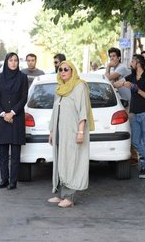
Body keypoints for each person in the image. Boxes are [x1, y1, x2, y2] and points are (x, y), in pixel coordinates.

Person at [48, 61, 95, 208]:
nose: (62, 71)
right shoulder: (59, 89)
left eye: (66, 69)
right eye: (60, 69)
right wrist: (51, 131)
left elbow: (83, 110)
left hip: (73, 132)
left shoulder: (79, 86)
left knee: (72, 162)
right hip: (60, 132)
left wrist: (81, 131)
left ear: (72, 71)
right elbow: (55, 111)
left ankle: (69, 197)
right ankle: (61, 194)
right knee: (61, 161)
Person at [115, 54, 145, 179]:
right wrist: (117, 83)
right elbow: (116, 84)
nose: (130, 64)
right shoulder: (130, 77)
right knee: (135, 141)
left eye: (132, 61)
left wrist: (137, 90)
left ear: (138, 63)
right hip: (134, 114)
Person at [0, 52, 28, 190]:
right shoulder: (0, 77)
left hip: (16, 118)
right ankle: (4, 180)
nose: (13, 63)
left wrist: (12, 113)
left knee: (15, 153)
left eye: (15, 60)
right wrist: (3, 114)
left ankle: (13, 181)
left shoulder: (22, 77)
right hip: (2, 119)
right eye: (10, 60)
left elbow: (24, 98)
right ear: (6, 62)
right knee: (2, 153)